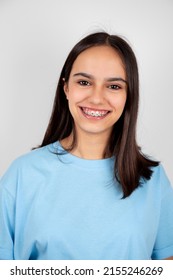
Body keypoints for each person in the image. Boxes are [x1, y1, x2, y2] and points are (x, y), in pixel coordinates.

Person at [0, 32, 173, 260]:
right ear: (66, 88)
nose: (96, 98)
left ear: (128, 96)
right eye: (84, 82)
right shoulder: (21, 175)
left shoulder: (153, 179)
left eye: (113, 86)